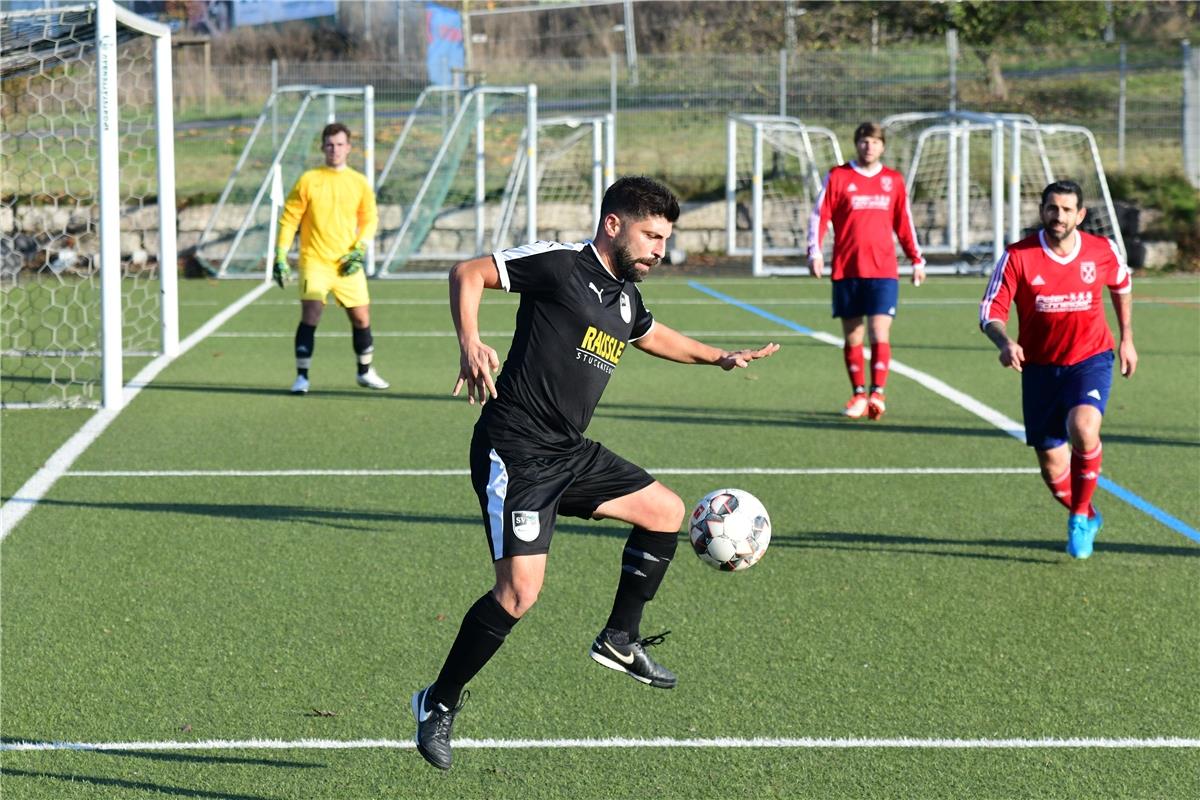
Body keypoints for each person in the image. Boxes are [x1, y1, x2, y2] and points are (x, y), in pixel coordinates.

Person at [411, 176, 779, 771]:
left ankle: (619, 639)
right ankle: (437, 702)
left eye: (665, 238)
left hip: (569, 450)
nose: (660, 250)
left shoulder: (626, 297)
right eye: (651, 235)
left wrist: (717, 357)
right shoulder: (560, 264)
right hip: (518, 449)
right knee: (518, 594)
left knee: (665, 510)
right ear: (614, 224)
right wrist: (471, 341)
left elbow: (651, 334)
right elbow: (467, 273)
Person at [979, 180, 1136, 559]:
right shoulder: (1018, 256)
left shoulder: (1101, 251)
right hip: (1040, 370)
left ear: (1081, 215)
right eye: (1052, 208)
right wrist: (1005, 343)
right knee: (1052, 468)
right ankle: (1089, 512)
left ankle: (1079, 517)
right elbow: (990, 312)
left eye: (1067, 210)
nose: (1058, 216)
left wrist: (1127, 336)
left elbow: (1121, 283)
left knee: (1083, 427)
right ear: (1042, 211)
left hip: (1090, 359)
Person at [807, 121, 926, 420]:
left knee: (878, 331)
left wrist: (916, 259)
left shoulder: (893, 181)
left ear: (882, 146)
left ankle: (878, 393)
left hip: (883, 270)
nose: (868, 146)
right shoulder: (838, 176)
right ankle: (859, 394)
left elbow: (904, 222)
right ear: (856, 144)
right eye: (863, 140)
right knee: (853, 337)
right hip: (847, 269)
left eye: (874, 141)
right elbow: (820, 215)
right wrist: (815, 251)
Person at [273, 121, 388, 394]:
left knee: (361, 318)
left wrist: (360, 248)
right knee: (311, 314)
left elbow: (370, 218)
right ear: (322, 147)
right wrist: (280, 254)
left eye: (339, 144)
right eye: (329, 144)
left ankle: (365, 371)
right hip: (315, 261)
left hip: (347, 263)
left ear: (348, 148)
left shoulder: (359, 182)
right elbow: (289, 220)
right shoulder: (308, 180)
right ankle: (302, 376)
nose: (334, 149)